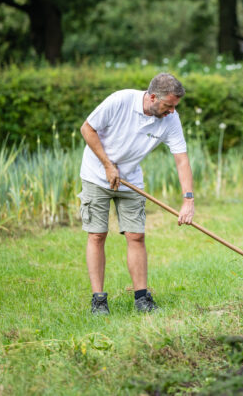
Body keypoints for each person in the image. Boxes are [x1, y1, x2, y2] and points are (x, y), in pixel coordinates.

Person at [79, 73, 195, 315]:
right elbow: (87, 129)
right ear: (153, 97)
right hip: (97, 174)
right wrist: (108, 165)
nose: (172, 112)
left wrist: (188, 199)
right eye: (169, 106)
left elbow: (181, 159)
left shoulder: (170, 120)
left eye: (175, 106)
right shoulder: (120, 101)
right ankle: (98, 301)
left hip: (130, 179)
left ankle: (142, 299)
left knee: (136, 236)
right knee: (97, 235)